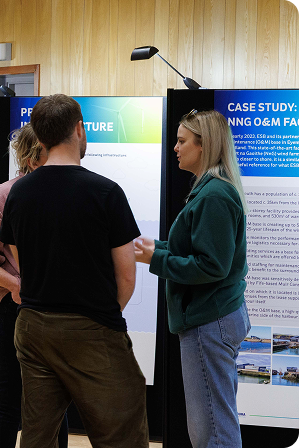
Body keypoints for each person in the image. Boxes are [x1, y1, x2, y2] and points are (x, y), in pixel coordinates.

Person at [0, 94, 148, 447]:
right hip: (92, 328)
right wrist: (100, 318)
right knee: (122, 432)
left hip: (33, 325)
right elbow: (126, 276)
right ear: (79, 129)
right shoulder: (106, 192)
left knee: (38, 434)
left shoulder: (18, 193)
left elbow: (21, 262)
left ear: (40, 136)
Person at [133, 109, 250, 448]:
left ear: (204, 145)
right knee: (215, 421)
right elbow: (197, 249)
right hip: (213, 318)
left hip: (209, 321)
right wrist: (157, 248)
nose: (175, 148)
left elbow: (211, 266)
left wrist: (156, 258)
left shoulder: (215, 195)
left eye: (182, 141)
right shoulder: (211, 190)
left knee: (212, 429)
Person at [0, 124, 69, 448]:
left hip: (58, 309)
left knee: (56, 402)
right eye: (52, 151)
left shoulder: (64, 192)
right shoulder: (2, 196)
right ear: (32, 157)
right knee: (11, 401)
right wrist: (15, 285)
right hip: (15, 311)